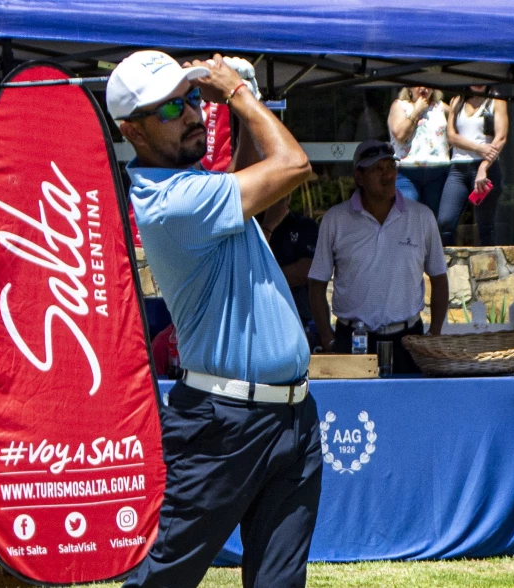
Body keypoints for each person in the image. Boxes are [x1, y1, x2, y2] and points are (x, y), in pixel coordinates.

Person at [109, 50, 319, 587]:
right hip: (223, 421)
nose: (190, 114)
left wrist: (236, 101)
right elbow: (293, 166)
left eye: (191, 99)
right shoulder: (169, 200)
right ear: (131, 130)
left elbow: (248, 178)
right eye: (169, 109)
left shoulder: (195, 188)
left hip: (289, 415)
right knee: (163, 578)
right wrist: (241, 96)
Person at [308, 140, 449, 374]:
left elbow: (439, 278)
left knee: (407, 408)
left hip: (408, 340)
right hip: (351, 340)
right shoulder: (335, 220)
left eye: (391, 167)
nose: (388, 176)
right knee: (354, 410)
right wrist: (327, 338)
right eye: (377, 169)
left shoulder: (422, 217)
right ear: (359, 177)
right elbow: (316, 283)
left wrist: (434, 334)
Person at [440, 85, 509, 246]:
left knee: (485, 224)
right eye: (473, 80)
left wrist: (484, 167)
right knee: (445, 221)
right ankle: (446, 264)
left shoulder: (495, 99)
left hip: (486, 166)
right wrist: (479, 147)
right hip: (458, 166)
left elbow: (501, 137)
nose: (478, 83)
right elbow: (451, 136)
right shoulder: (457, 100)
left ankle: (489, 268)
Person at [258, 195, 319, 332]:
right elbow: (244, 273)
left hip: (298, 320)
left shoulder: (305, 226)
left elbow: (306, 272)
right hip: (259, 320)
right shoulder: (248, 224)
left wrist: (260, 276)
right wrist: (268, 227)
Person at [387, 86, 449, 212]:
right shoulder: (399, 105)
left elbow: (463, 124)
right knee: (407, 217)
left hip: (438, 172)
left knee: (434, 219)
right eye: (417, 84)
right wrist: (416, 111)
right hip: (407, 172)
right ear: (408, 88)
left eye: (427, 84)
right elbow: (400, 135)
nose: (423, 88)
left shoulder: (441, 107)